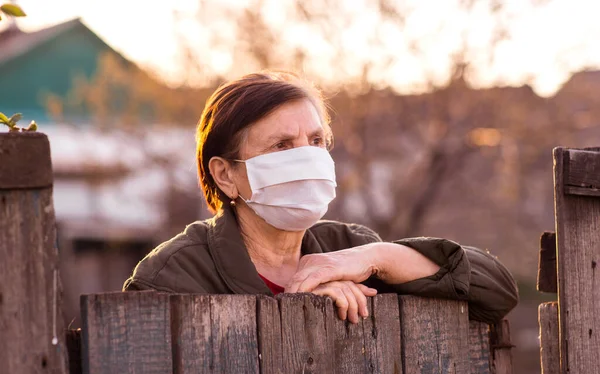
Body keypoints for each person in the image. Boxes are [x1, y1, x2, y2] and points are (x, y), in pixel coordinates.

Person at [123, 71, 518, 324]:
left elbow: (497, 294)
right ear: (226, 174)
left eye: (315, 141)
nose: (306, 158)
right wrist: (301, 311)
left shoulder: (347, 247)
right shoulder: (171, 277)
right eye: (281, 145)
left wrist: (375, 257)